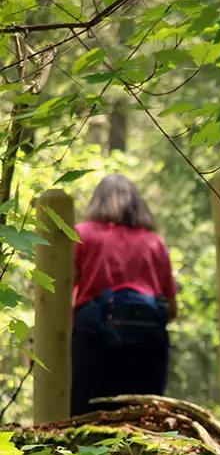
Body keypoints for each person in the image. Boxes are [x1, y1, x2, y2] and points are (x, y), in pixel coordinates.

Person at [71, 173, 177, 416]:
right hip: (149, 346)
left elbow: (60, 296)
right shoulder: (154, 243)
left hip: (94, 344)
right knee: (142, 424)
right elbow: (171, 308)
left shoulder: (81, 235)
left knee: (87, 422)